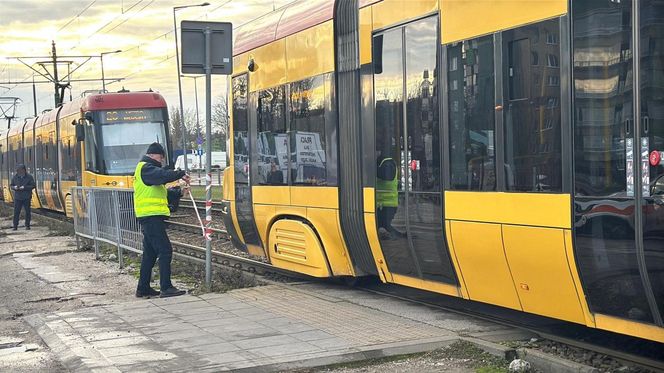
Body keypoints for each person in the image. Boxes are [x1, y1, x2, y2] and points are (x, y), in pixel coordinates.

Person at [134, 142, 190, 298]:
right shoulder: (146, 168)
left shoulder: (148, 171)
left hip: (150, 217)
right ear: (152, 155)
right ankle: (166, 287)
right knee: (165, 250)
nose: (161, 161)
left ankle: (143, 288)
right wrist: (179, 173)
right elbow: (162, 175)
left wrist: (178, 192)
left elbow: (160, 192)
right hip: (151, 217)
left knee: (150, 254)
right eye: (160, 157)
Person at [376, 155, 402, 240]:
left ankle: (397, 237)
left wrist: (370, 167)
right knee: (381, 224)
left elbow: (386, 175)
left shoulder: (388, 163)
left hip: (387, 204)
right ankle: (396, 236)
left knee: (382, 224)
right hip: (382, 203)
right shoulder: (385, 163)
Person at [10, 164, 35, 231]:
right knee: (16, 212)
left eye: (20, 171)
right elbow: (11, 185)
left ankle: (27, 225)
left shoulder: (29, 177)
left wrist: (24, 187)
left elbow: (33, 185)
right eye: (18, 171)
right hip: (18, 197)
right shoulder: (15, 177)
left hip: (26, 197)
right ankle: (15, 226)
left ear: (24, 170)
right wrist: (14, 187)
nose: (19, 172)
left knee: (27, 212)